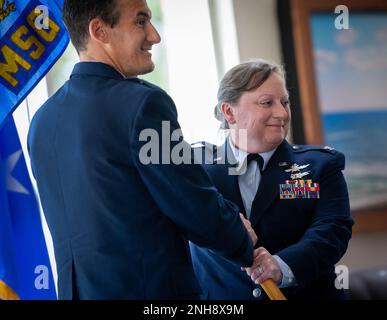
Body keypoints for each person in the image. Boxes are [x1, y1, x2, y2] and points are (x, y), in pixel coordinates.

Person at [27, 0, 256, 300]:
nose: (154, 35)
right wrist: (240, 237)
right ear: (99, 31)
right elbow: (190, 201)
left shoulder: (41, 120)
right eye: (140, 21)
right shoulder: (144, 105)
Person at [190, 59, 354, 300]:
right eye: (267, 103)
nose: (282, 113)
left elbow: (332, 231)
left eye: (284, 102)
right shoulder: (193, 170)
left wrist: (282, 265)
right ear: (229, 112)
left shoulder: (320, 166)